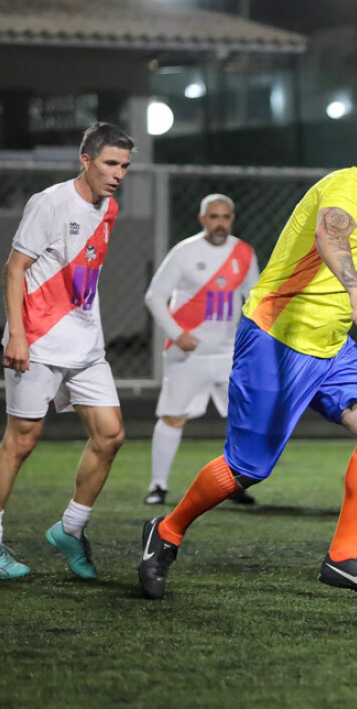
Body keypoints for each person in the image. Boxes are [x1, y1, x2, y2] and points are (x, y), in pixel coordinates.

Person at [138, 118, 357, 600]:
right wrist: (354, 291)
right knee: (247, 468)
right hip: (277, 340)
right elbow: (330, 236)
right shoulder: (345, 188)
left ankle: (341, 558)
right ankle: (166, 532)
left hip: (331, 347)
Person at [0, 122, 134, 580]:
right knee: (21, 441)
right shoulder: (50, 202)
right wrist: (17, 335)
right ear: (86, 161)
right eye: (110, 163)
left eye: (124, 165)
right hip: (38, 340)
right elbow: (14, 269)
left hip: (85, 346)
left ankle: (70, 529)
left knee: (111, 436)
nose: (118, 173)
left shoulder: (110, 208)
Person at [142, 194, 260, 507]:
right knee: (172, 417)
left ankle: (236, 482)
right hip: (187, 355)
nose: (220, 223)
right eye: (213, 217)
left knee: (243, 419)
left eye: (225, 217)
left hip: (228, 355)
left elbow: (255, 300)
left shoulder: (244, 252)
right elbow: (155, 296)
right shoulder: (184, 252)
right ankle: (158, 485)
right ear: (202, 219)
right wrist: (176, 334)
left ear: (232, 219)